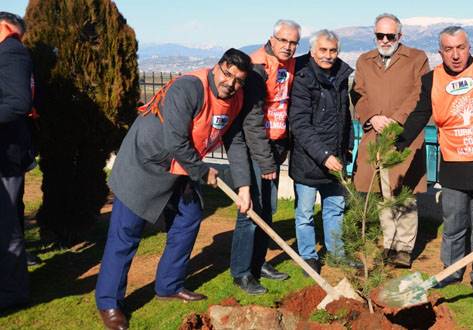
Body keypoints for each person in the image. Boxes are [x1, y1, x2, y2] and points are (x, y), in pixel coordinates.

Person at [95, 49, 254, 330]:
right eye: (227, 74)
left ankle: (169, 284)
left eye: (239, 80)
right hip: (146, 162)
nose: (231, 83)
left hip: (181, 166)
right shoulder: (189, 88)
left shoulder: (236, 100)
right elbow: (175, 140)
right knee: (126, 234)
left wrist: (243, 186)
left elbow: (236, 142)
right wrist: (203, 171)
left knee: (189, 218)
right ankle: (109, 302)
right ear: (217, 68)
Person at [396, 26, 473, 300]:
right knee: (454, 224)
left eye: (461, 48)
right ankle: (451, 273)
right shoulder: (431, 80)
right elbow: (420, 114)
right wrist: (397, 143)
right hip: (454, 165)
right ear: (440, 52)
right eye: (448, 49)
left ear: (469, 47)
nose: (455, 55)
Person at [350, 13, 429, 268]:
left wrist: (396, 120)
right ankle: (389, 244)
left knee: (404, 193)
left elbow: (419, 94)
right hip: (375, 134)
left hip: (405, 136)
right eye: (379, 35)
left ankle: (404, 248)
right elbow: (358, 93)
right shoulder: (364, 61)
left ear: (399, 36)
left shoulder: (417, 59)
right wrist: (372, 116)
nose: (384, 40)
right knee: (382, 192)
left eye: (390, 36)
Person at [229, 19, 301, 295]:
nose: (288, 46)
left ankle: (259, 263)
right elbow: (251, 120)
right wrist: (265, 161)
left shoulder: (289, 63)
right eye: (283, 40)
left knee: (267, 210)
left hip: (274, 147)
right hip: (255, 149)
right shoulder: (258, 68)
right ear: (272, 39)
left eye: (293, 42)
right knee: (249, 212)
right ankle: (241, 272)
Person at [288, 29, 354, 274]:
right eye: (323, 50)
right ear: (313, 51)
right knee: (304, 213)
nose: (328, 55)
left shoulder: (341, 75)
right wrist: (325, 155)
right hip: (309, 160)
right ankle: (308, 256)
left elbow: (344, 115)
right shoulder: (303, 78)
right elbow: (301, 125)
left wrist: (346, 146)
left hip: (336, 157)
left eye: (333, 50)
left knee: (334, 209)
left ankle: (336, 254)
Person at [0, 11, 32, 310]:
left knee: (7, 227)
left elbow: (19, 102)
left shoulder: (11, 53)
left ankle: (13, 293)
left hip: (6, 155)